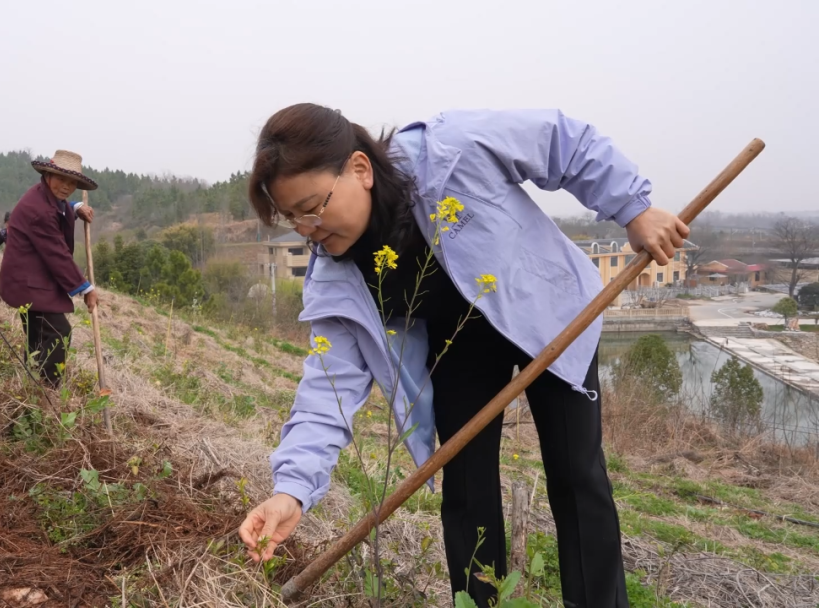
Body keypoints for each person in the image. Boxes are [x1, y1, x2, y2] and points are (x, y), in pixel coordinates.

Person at [237, 104, 690, 607]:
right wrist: (290, 491)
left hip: (548, 312)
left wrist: (633, 208)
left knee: (576, 473)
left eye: (313, 206)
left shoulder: (451, 150)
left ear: (360, 170)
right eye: (292, 216)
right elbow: (327, 391)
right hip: (458, 341)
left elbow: (562, 141)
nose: (307, 228)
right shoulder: (335, 278)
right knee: (467, 487)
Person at [0, 150, 99, 387]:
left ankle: (30, 385)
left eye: (72, 182)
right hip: (28, 283)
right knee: (57, 332)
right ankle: (47, 390)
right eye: (61, 179)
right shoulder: (39, 210)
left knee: (37, 336)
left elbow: (59, 207)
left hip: (28, 278)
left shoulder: (45, 196)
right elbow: (57, 255)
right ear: (47, 174)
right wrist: (85, 289)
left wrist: (74, 207)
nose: (66, 186)